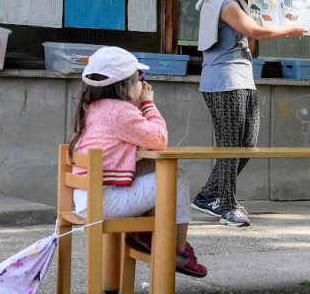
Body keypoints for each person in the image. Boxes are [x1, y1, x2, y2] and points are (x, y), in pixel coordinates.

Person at [192, 0, 307, 227]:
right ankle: (228, 207)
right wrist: (290, 29)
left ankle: (207, 195)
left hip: (241, 78)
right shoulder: (223, 0)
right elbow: (252, 30)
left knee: (247, 144)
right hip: (225, 80)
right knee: (230, 146)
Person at [69, 46, 207, 278]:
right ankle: (179, 249)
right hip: (104, 203)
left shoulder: (93, 108)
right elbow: (159, 140)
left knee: (156, 170)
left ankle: (145, 235)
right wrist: (148, 104)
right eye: (140, 79)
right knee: (176, 178)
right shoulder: (121, 112)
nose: (143, 85)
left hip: (89, 198)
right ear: (125, 85)